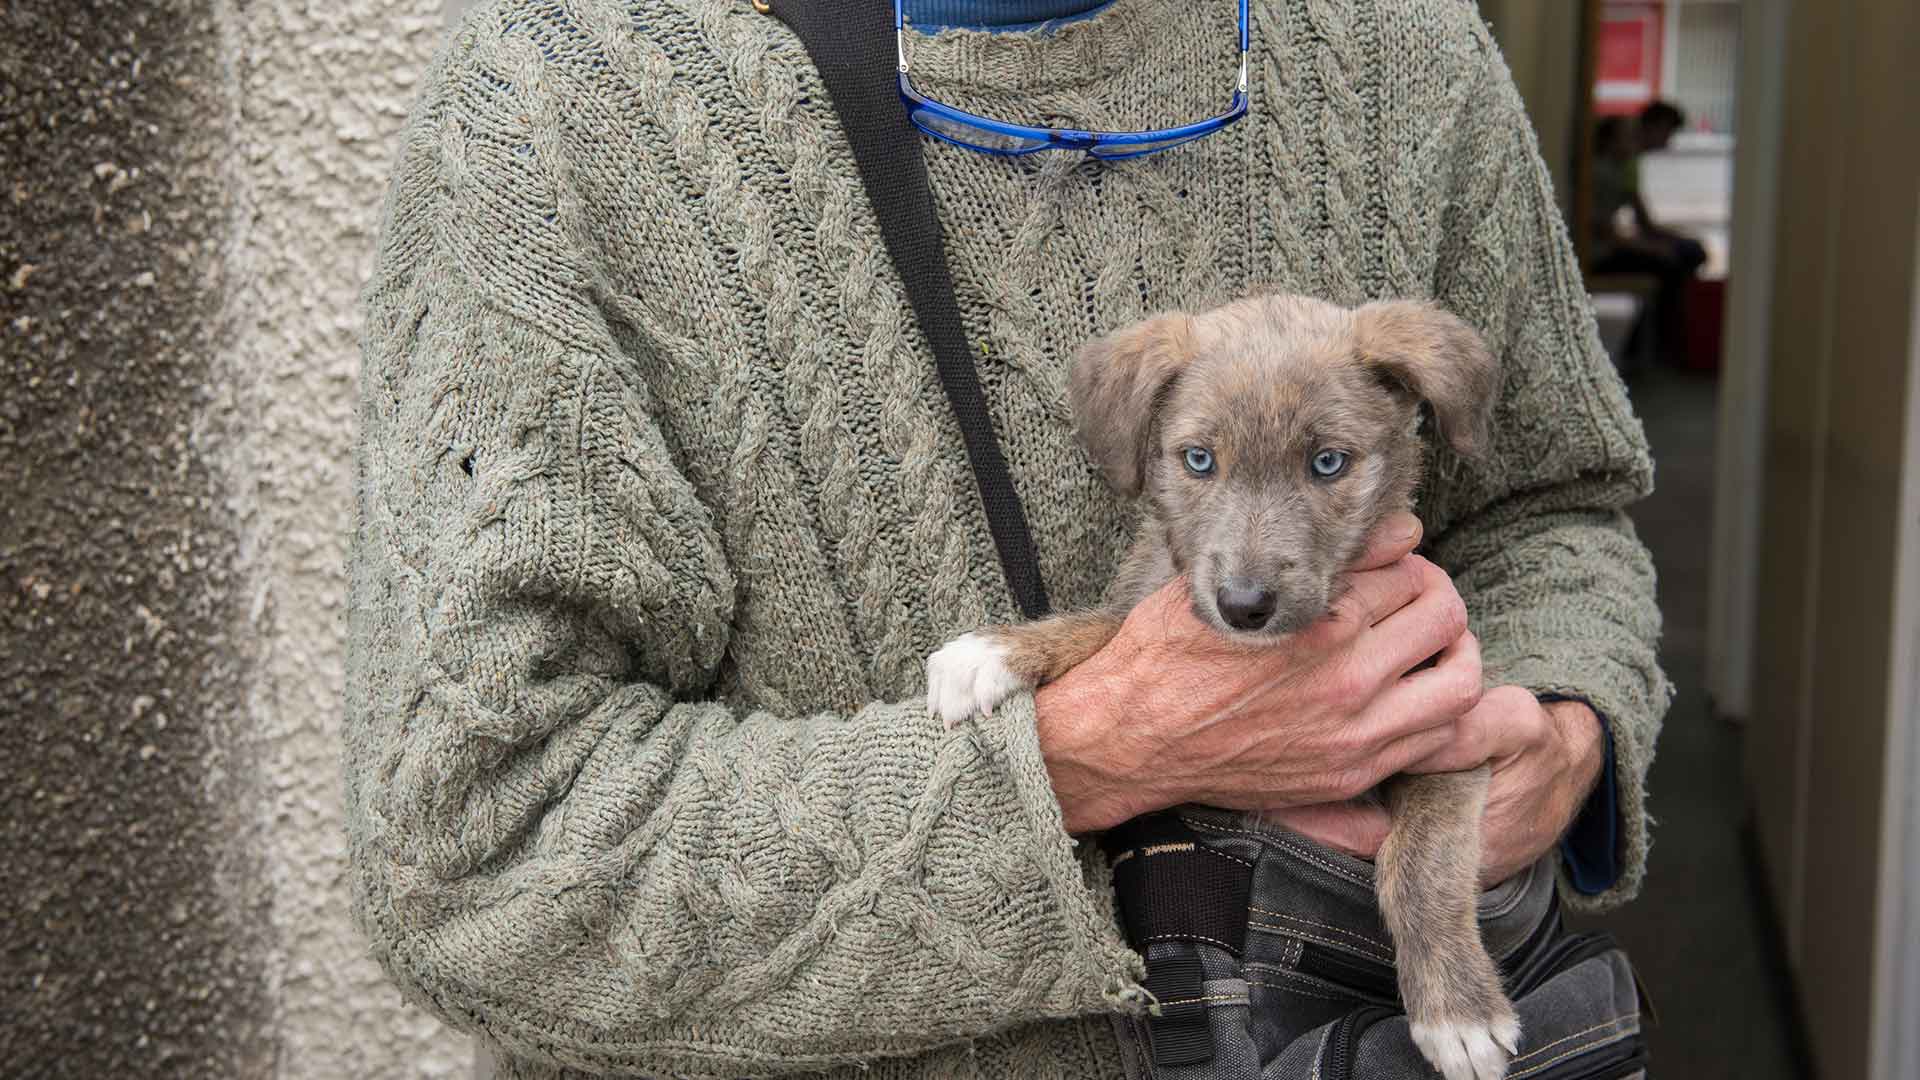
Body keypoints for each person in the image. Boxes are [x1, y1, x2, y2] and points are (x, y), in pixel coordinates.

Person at [343, 1, 1667, 1077]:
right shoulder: (556, 107)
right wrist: (1086, 761)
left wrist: (1562, 740)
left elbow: (1552, 511)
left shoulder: (1399, 52)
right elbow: (476, 861)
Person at [1590, 100, 1710, 366]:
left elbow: (1644, 223)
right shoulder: (1601, 173)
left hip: (1611, 246)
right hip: (1599, 253)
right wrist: (1653, 247)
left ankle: (1656, 343)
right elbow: (1601, 230)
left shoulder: (1624, 166)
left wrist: (1672, 238)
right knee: (1671, 263)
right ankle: (1658, 346)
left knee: (1688, 252)